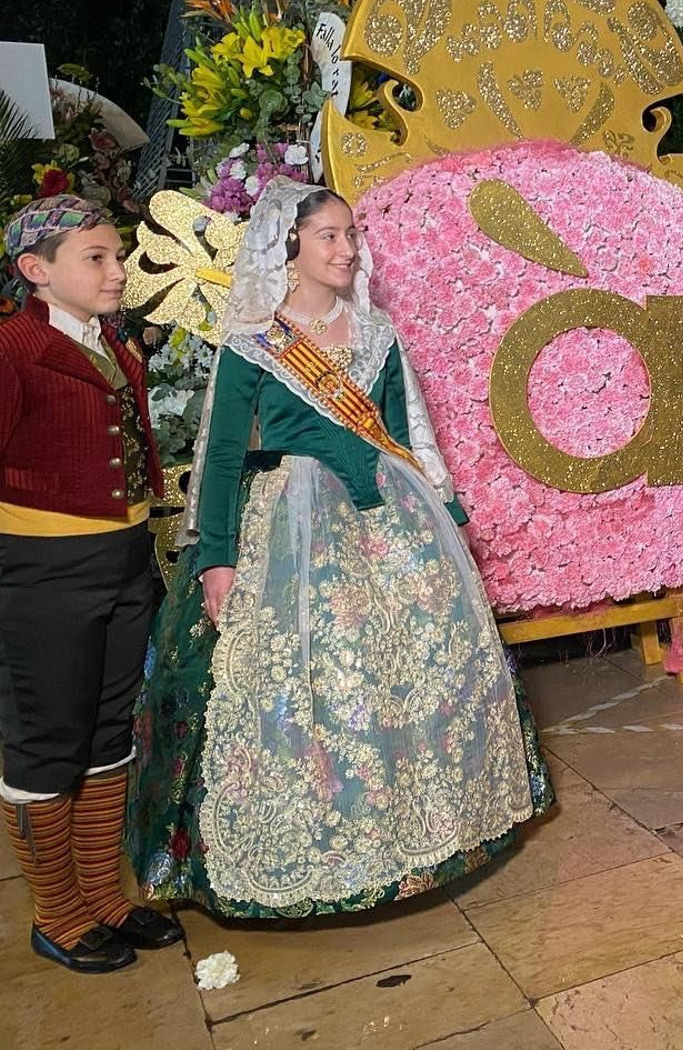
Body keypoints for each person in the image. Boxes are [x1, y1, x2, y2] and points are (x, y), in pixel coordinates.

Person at [126, 179, 553, 917]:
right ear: (289, 248)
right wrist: (220, 559)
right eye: (329, 235)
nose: (347, 249)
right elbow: (223, 458)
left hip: (391, 517)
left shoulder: (377, 334)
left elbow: (409, 435)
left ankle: (429, 833)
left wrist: (446, 516)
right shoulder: (253, 345)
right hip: (292, 530)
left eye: (351, 235)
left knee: (413, 669)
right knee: (309, 685)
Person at [0, 196, 183, 973]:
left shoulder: (111, 344)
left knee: (110, 733)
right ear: (36, 272)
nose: (117, 270)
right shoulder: (12, 350)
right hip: (43, 573)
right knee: (46, 741)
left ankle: (104, 895)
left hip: (121, 559)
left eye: (119, 254)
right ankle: (58, 912)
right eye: (97, 258)